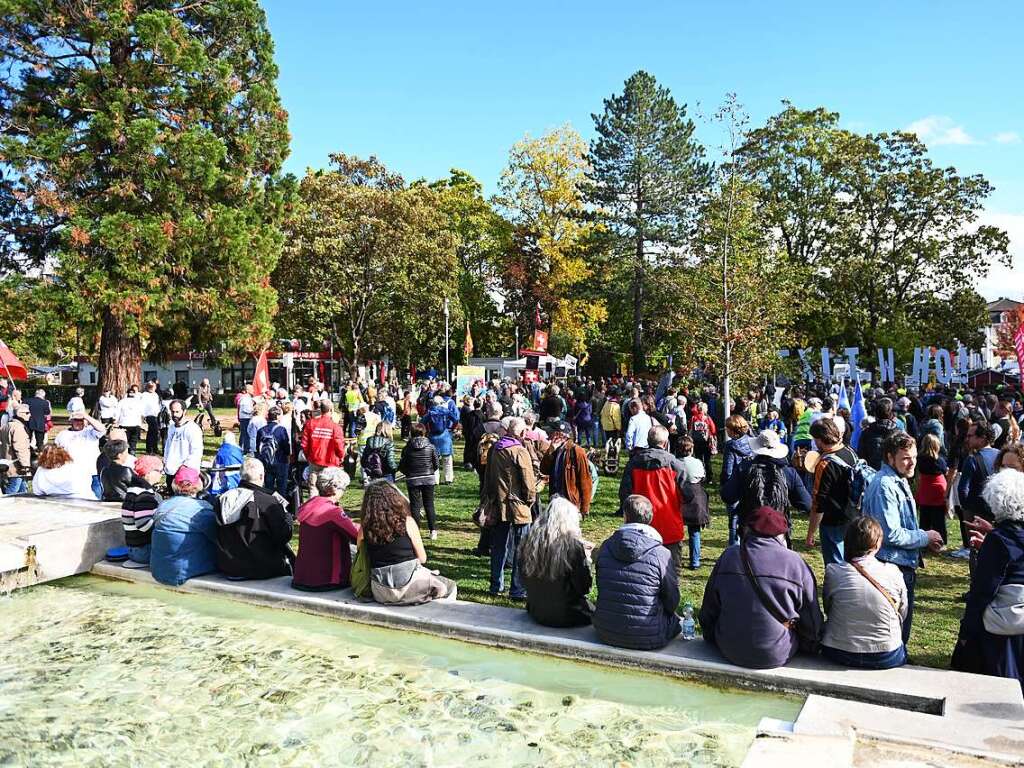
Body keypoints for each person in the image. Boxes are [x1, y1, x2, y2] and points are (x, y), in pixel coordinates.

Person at [700, 506, 823, 669]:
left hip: (728, 647)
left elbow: (709, 609)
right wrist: (810, 646)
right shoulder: (795, 563)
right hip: (776, 652)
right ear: (782, 535)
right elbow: (812, 621)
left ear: (747, 531)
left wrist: (711, 635)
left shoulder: (729, 556)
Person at [862, 430, 944, 646]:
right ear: (890, 457)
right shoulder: (885, 485)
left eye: (914, 457)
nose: (912, 463)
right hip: (892, 566)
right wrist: (925, 537)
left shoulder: (898, 479)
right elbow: (891, 534)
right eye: (906, 458)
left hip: (901, 564)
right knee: (894, 634)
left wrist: (925, 541)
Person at [953, 469, 1024, 690]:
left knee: (999, 686)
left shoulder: (998, 541)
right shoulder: (1004, 538)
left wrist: (966, 632)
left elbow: (983, 591)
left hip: (1003, 626)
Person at [593, 494, 680, 650]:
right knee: (676, 621)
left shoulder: (606, 546)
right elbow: (672, 601)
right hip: (648, 635)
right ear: (650, 518)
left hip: (605, 630)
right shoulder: (661, 553)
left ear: (625, 516)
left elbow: (601, 584)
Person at [821, 516, 907, 669]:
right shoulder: (893, 572)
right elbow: (903, 611)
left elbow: (829, 608)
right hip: (886, 654)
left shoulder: (834, 572)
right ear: (877, 544)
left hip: (840, 650)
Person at [360, 480, 456, 604]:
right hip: (410, 586)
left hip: (380, 591)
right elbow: (422, 558)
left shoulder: (365, 527)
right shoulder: (408, 522)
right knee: (450, 586)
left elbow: (360, 553)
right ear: (394, 499)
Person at [619, 425, 693, 578]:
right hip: (670, 526)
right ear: (665, 443)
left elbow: (625, 495)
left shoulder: (634, 463)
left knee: (642, 574)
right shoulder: (676, 465)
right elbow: (688, 495)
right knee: (671, 575)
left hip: (641, 528)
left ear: (648, 441)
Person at [721, 429, 810, 546]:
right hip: (779, 532)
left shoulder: (744, 468)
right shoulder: (789, 473)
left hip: (750, 530)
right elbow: (806, 504)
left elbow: (728, 496)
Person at [481, 417, 536, 600]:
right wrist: (530, 500)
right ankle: (517, 589)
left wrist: (489, 498)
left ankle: (496, 586)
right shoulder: (519, 451)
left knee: (499, 547)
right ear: (521, 433)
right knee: (521, 548)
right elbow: (528, 481)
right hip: (518, 504)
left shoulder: (495, 449)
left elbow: (488, 477)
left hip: (499, 503)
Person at [212, 457, 295, 580]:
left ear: (241, 476)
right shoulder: (268, 501)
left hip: (228, 566)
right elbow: (283, 536)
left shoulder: (222, 499)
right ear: (262, 476)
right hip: (260, 568)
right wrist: (287, 518)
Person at [519, 496, 593, 627]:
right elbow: (583, 587)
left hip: (536, 611)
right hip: (568, 614)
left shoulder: (528, 542)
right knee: (594, 610)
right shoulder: (573, 547)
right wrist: (586, 560)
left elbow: (522, 578)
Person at [292, 467, 359, 590]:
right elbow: (356, 535)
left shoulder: (308, 506)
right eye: (343, 488)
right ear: (334, 489)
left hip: (301, 578)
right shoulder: (333, 512)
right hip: (327, 580)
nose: (343, 492)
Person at [805, 417, 860, 566]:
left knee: (835, 565)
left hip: (833, 521)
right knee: (851, 563)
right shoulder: (850, 451)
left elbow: (818, 502)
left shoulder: (825, 464)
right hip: (854, 515)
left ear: (820, 440)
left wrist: (811, 532)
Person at [150, 466, 217, 586]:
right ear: (199, 484)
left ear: (175, 484)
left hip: (157, 570)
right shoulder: (202, 508)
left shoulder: (163, 505)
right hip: (182, 572)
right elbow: (217, 537)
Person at [541, 420, 594, 517]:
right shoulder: (554, 450)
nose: (549, 435)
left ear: (559, 435)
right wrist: (550, 453)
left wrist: (584, 508)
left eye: (552, 432)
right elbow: (544, 470)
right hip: (555, 501)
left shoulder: (577, 451)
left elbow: (585, 480)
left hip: (570, 503)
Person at [120, 455, 164, 565]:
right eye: (159, 471)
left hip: (134, 548)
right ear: (148, 473)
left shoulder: (133, 490)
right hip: (143, 551)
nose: (161, 474)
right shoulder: (145, 495)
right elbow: (143, 525)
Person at [399, 422, 440, 539]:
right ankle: (433, 531)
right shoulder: (431, 446)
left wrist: (408, 473)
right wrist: (430, 471)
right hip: (428, 478)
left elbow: (402, 465)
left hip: (413, 479)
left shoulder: (407, 448)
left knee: (415, 506)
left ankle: (416, 531)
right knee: (429, 504)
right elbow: (436, 463)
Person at [55, 409, 105, 498]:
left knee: (97, 500)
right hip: (73, 474)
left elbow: (102, 429)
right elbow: (57, 452)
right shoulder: (62, 434)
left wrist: (86, 416)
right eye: (76, 420)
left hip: (92, 473)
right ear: (71, 421)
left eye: (81, 420)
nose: (79, 422)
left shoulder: (90, 431)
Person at [720, 414, 753, 547]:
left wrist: (725, 484)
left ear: (732, 430)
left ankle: (734, 548)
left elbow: (728, 469)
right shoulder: (752, 442)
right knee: (747, 518)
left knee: (734, 519)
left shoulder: (730, 446)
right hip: (749, 484)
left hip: (735, 484)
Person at [300, 399, 346, 494]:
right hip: (330, 461)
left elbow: (304, 443)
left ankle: (314, 507)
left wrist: (308, 456)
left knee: (313, 487)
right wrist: (341, 456)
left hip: (314, 460)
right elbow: (339, 445)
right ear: (331, 410)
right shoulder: (335, 427)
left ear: (320, 409)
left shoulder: (310, 423)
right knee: (329, 488)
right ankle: (327, 507)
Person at [162, 399, 204, 491]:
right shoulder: (171, 427)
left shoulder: (192, 428)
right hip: (171, 470)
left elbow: (196, 451)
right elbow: (168, 447)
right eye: (172, 412)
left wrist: (185, 466)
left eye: (177, 412)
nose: (174, 415)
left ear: (184, 412)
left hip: (185, 473)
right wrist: (165, 461)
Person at [916, 433, 950, 544]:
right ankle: (941, 540)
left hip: (925, 488)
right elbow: (945, 471)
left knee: (924, 518)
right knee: (939, 519)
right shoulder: (940, 460)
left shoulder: (919, 459)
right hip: (938, 489)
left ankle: (924, 541)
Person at [31, 444, 97, 500]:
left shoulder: (41, 471)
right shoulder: (77, 466)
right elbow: (87, 481)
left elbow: (37, 491)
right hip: (85, 499)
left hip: (57, 503)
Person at [255, 406, 291, 496]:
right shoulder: (281, 430)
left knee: (268, 486)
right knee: (281, 486)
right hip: (280, 460)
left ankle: (267, 504)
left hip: (266, 462)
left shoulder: (261, 430)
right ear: (278, 416)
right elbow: (286, 447)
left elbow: (257, 447)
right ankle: (281, 506)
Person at [858, 398, 900, 470]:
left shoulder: (866, 433)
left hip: (878, 472)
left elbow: (861, 455)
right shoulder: (898, 432)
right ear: (891, 415)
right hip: (877, 473)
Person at [424, 395, 457, 484]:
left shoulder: (430, 413)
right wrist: (452, 428)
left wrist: (427, 430)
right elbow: (456, 419)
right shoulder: (445, 411)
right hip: (445, 436)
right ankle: (448, 479)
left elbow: (422, 422)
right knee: (447, 459)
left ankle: (435, 479)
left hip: (433, 437)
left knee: (434, 459)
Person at [0, 403, 32, 494]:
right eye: (27, 413)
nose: (29, 415)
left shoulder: (6, 425)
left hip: (7, 463)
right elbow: (20, 448)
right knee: (13, 490)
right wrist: (25, 465)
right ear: (19, 414)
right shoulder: (18, 428)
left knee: (22, 490)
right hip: (16, 466)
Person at [209, 431, 244, 496]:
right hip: (235, 483)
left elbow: (214, 470)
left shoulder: (220, 452)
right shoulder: (238, 452)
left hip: (222, 483)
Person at [690, 402, 717, 480]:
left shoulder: (693, 418)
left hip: (696, 441)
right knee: (707, 460)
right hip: (706, 442)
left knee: (698, 459)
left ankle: (700, 476)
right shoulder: (707, 418)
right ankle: (709, 478)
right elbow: (713, 429)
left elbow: (690, 429)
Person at [140, 381, 163, 454]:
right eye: (150, 387)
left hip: (156, 415)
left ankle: (154, 448)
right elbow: (142, 405)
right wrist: (143, 415)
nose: (152, 388)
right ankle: (149, 449)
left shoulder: (155, 395)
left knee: (155, 433)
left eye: (153, 387)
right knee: (151, 432)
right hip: (149, 415)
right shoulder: (144, 395)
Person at [237, 384, 256, 453]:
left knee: (247, 434)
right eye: (252, 389)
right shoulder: (245, 398)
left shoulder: (248, 398)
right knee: (245, 433)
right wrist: (252, 412)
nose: (253, 390)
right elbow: (244, 409)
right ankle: (243, 449)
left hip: (247, 417)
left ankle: (246, 448)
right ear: (247, 390)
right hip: (245, 418)